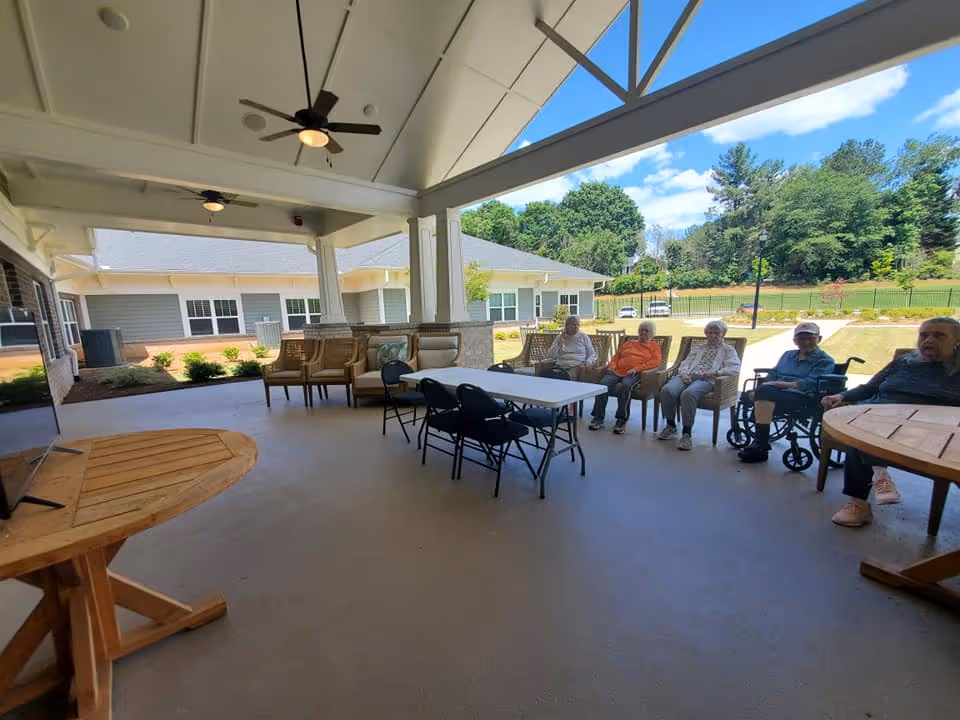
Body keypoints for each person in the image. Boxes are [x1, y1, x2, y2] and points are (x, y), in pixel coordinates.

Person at [821, 317, 960, 527]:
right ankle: (866, 494)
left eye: (939, 335)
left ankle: (872, 484)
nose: (929, 340)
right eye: (924, 335)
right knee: (858, 425)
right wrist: (841, 396)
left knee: (861, 429)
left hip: (928, 428)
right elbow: (869, 387)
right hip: (875, 413)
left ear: (957, 341)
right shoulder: (904, 361)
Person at [737, 322, 835, 463]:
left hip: (803, 397)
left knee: (764, 392)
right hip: (775, 393)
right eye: (801, 338)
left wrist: (777, 384)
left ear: (819, 339)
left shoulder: (825, 360)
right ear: (795, 340)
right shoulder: (788, 355)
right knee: (755, 392)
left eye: (810, 338)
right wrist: (760, 388)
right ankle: (760, 443)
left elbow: (810, 383)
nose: (805, 341)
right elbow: (773, 373)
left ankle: (760, 444)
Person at [658, 319, 741, 450]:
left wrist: (715, 373)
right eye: (710, 332)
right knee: (667, 390)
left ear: (723, 334)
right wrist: (684, 374)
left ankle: (686, 434)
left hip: (707, 379)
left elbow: (734, 368)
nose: (712, 336)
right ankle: (670, 425)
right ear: (706, 334)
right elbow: (685, 363)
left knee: (688, 394)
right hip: (688, 376)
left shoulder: (728, 350)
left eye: (716, 333)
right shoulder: (699, 348)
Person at [588, 321, 662, 434]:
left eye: (646, 330)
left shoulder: (654, 347)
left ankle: (621, 419)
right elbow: (616, 357)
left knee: (625, 386)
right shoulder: (629, 343)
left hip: (635, 374)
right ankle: (598, 417)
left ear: (652, 333)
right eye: (641, 330)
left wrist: (637, 368)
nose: (643, 332)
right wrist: (612, 365)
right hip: (617, 371)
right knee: (602, 385)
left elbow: (655, 362)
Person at [543, 315, 597, 380]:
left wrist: (588, 361)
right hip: (559, 367)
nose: (576, 327)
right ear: (567, 326)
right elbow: (550, 355)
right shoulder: (559, 338)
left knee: (562, 378)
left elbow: (592, 353)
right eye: (574, 325)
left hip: (576, 367)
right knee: (544, 377)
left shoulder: (583, 337)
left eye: (578, 325)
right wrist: (559, 343)